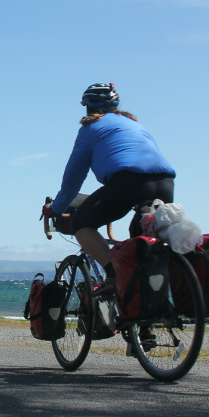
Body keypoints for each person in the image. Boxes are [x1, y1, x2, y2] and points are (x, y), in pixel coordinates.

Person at [44, 83, 176, 287]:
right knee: (141, 244)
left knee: (81, 223)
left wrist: (57, 208)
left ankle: (115, 275)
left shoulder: (91, 129)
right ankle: (148, 305)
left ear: (88, 107)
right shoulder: (134, 124)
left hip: (128, 183)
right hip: (166, 184)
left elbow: (73, 176)